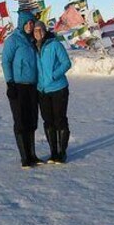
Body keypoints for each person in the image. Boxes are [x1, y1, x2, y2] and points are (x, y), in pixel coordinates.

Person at [1, 10, 43, 168]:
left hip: (33, 86)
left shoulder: (33, 40)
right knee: (20, 121)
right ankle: (25, 157)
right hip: (18, 87)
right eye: (27, 23)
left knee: (32, 120)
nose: (30, 26)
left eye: (32, 23)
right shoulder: (13, 40)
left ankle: (32, 155)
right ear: (21, 23)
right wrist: (10, 82)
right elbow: (6, 62)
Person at [33, 22, 72, 163]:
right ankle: (53, 152)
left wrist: (53, 76)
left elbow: (66, 63)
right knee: (48, 122)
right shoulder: (33, 47)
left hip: (58, 89)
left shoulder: (54, 44)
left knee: (60, 120)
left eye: (40, 30)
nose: (38, 33)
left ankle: (62, 152)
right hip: (42, 90)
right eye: (35, 30)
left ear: (45, 30)